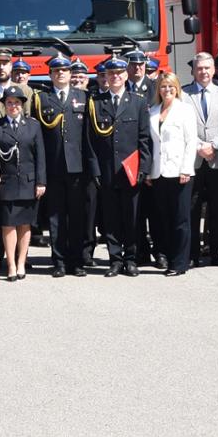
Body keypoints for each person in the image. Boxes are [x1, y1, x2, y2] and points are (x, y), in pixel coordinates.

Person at [88, 58, 150, 276]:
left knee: (132, 217)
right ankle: (115, 259)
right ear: (106, 76)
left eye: (119, 73)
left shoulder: (138, 102)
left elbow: (144, 138)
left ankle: (131, 258)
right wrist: (95, 169)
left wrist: (143, 168)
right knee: (111, 218)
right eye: (111, 73)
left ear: (126, 75)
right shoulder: (96, 102)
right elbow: (90, 141)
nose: (115, 77)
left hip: (130, 170)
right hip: (106, 170)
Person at [35, 57, 93, 277]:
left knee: (77, 216)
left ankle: (76, 261)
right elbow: (38, 139)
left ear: (70, 74)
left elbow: (88, 136)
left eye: (65, 70)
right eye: (56, 70)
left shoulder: (84, 97)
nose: (61, 73)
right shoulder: (41, 99)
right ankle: (59, 261)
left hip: (78, 168)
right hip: (54, 167)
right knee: (56, 217)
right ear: (50, 74)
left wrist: (91, 168)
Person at [142, 72, 199, 275]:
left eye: (171, 86)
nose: (167, 90)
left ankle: (180, 263)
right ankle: (166, 256)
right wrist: (148, 172)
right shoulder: (152, 111)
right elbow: (150, 145)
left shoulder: (185, 110)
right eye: (163, 86)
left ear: (177, 89)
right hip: (158, 173)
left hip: (179, 172)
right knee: (163, 218)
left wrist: (186, 168)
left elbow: (191, 141)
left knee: (180, 220)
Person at [0, 85, 46, 280]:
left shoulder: (33, 125)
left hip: (28, 183)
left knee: (24, 225)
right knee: (8, 225)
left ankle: (22, 262)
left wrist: (41, 182)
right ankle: (11, 265)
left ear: (22, 105)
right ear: (4, 105)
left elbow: (40, 156)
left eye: (17, 102)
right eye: (9, 102)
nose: (13, 106)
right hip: (6, 183)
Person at [185, 53, 218, 267]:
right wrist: (199, 146)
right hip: (193, 160)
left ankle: (217, 254)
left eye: (207, 68)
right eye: (199, 68)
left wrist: (213, 145)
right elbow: (182, 126)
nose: (203, 72)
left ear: (214, 70)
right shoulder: (183, 95)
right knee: (192, 209)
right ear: (193, 71)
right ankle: (192, 254)